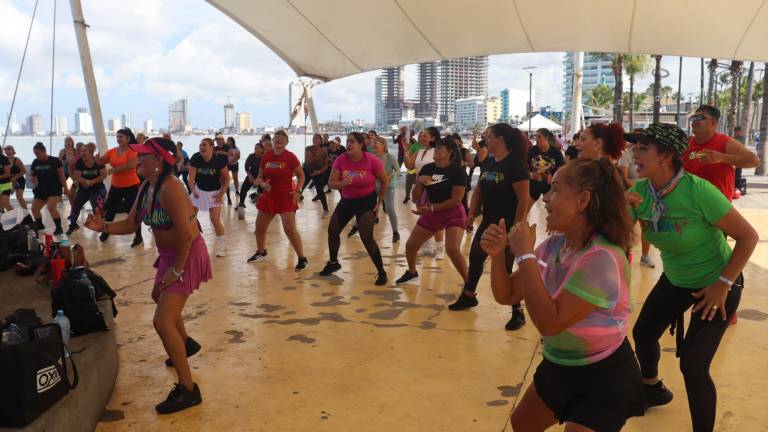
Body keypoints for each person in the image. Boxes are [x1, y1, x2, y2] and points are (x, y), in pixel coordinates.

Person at [483, 158, 645, 431]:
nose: (545, 198)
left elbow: (551, 322)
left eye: (555, 190)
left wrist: (524, 254)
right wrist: (498, 255)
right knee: (522, 423)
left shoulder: (603, 258)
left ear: (583, 200)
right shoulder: (555, 245)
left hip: (602, 376)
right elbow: (508, 293)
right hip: (559, 365)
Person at [625, 123, 758, 432]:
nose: (635, 152)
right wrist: (622, 213)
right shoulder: (639, 192)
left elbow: (748, 237)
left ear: (666, 156)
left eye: (643, 148)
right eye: (635, 146)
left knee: (694, 365)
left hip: (718, 281)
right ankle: (652, 388)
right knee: (643, 335)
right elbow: (620, 239)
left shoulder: (698, 192)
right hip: (676, 278)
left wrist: (722, 286)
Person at [85, 137, 210, 414]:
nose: (137, 158)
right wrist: (100, 225)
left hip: (185, 256)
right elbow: (131, 224)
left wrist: (176, 271)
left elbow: (189, 236)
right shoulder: (146, 187)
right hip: (170, 256)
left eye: (144, 155)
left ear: (160, 160)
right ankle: (185, 343)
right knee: (158, 296)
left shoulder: (171, 189)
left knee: (163, 322)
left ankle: (189, 390)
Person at [449, 124, 530, 331]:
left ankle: (517, 311)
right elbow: (478, 191)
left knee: (506, 267)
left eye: (489, 137)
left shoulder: (516, 165)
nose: (485, 140)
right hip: (488, 221)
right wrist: (470, 213)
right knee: (476, 257)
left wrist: (517, 227)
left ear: (501, 139)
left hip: (508, 224)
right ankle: (469, 296)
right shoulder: (489, 162)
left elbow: (524, 199)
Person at [396, 137, 468, 285]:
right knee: (410, 246)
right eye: (436, 148)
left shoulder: (457, 171)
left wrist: (432, 208)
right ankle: (412, 273)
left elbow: (456, 200)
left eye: (440, 148)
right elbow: (416, 197)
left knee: (452, 249)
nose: (436, 150)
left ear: (450, 152)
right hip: (432, 213)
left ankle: (469, 284)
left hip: (453, 213)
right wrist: (419, 182)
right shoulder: (428, 168)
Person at [320, 132, 389, 286]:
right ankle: (333, 263)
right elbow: (331, 182)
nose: (348, 144)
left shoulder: (371, 160)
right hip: (347, 200)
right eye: (347, 141)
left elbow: (384, 181)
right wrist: (342, 184)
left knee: (366, 237)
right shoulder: (341, 160)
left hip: (366, 201)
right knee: (332, 231)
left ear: (360, 145)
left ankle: (381, 272)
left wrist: (379, 202)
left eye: (352, 142)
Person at [247, 130, 308, 270]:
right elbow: (260, 176)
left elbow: (301, 175)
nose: (279, 139)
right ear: (273, 140)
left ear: (287, 142)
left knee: (289, 229)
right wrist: (262, 184)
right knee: (259, 228)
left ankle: (302, 258)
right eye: (277, 137)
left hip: (286, 196)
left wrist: (298, 191)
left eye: (283, 138)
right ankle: (261, 252)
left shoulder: (290, 157)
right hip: (269, 197)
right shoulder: (267, 156)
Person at [685, 105, 759, 202]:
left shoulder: (725, 142)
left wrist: (721, 157)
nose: (695, 121)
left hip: (718, 209)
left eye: (700, 118)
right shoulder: (686, 143)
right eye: (693, 118)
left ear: (714, 122)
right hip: (690, 206)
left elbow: (754, 161)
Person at [98, 128, 144, 247]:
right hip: (116, 186)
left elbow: (131, 165)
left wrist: (115, 169)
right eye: (117, 137)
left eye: (121, 137)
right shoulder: (113, 151)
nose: (118, 139)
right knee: (110, 210)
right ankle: (106, 231)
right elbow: (101, 161)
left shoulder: (133, 150)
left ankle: (138, 236)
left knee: (132, 212)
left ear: (128, 138)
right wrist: (97, 159)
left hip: (131, 185)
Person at [403, 127, 444, 258]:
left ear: (433, 138)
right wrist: (406, 152)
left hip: (433, 187)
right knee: (423, 216)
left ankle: (440, 248)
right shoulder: (419, 151)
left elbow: (442, 169)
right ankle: (427, 245)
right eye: (421, 135)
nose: (421, 138)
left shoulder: (437, 151)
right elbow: (409, 166)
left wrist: (432, 182)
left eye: (425, 136)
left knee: (436, 218)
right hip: (419, 187)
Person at [189, 138, 230, 257]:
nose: (202, 147)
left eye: (204, 145)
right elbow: (190, 178)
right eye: (200, 145)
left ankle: (222, 246)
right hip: (198, 191)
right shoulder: (196, 158)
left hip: (214, 193)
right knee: (190, 218)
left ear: (212, 147)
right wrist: (193, 190)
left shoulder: (219, 161)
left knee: (215, 220)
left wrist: (222, 193)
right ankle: (191, 242)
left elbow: (227, 178)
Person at [30, 142, 71, 234]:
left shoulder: (55, 161)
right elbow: (32, 174)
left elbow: (62, 176)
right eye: (35, 154)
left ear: (44, 151)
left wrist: (66, 188)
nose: (37, 156)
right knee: (34, 209)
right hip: (41, 188)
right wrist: (32, 178)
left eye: (38, 153)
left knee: (51, 207)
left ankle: (58, 228)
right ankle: (40, 226)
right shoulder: (35, 162)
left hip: (54, 188)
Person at [66, 143, 107, 235]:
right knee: (76, 206)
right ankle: (73, 225)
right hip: (84, 188)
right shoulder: (80, 162)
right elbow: (77, 176)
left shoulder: (97, 161)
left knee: (97, 209)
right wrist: (85, 181)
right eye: (81, 151)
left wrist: (93, 181)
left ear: (91, 152)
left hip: (97, 188)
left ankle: (103, 228)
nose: (82, 153)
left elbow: (104, 174)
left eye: (84, 151)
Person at [528, 128, 565, 214]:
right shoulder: (532, 150)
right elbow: (526, 166)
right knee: (526, 207)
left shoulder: (555, 152)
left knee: (552, 209)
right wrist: (531, 174)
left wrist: (554, 178)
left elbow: (561, 168)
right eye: (535, 136)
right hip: (534, 183)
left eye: (539, 137)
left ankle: (552, 226)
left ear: (546, 138)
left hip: (550, 185)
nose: (536, 139)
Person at [372, 136, 400, 243]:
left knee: (390, 208)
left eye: (377, 142)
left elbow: (398, 171)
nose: (374, 144)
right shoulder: (371, 157)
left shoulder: (389, 157)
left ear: (384, 145)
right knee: (370, 207)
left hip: (388, 187)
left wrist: (390, 176)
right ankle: (359, 227)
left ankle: (395, 232)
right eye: (374, 142)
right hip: (374, 187)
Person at [302, 133, 330, 212]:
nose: (314, 140)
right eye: (313, 138)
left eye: (317, 138)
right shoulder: (308, 148)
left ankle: (325, 208)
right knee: (300, 187)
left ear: (321, 141)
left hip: (318, 173)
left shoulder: (324, 151)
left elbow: (326, 165)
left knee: (320, 190)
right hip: (308, 171)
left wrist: (319, 172)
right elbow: (308, 161)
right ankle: (293, 204)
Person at [237, 143, 264, 209]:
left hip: (261, 177)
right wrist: (249, 175)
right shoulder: (251, 156)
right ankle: (241, 203)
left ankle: (262, 206)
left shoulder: (264, 157)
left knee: (261, 192)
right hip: (251, 176)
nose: (256, 150)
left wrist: (259, 178)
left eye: (258, 148)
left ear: (262, 149)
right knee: (243, 189)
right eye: (255, 148)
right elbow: (246, 167)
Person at [4, 145, 27, 210]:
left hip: (18, 180)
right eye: (5, 149)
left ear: (13, 150)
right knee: (4, 198)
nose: (6, 150)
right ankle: (6, 212)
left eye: (8, 148)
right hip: (8, 181)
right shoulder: (3, 160)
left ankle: (26, 212)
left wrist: (15, 177)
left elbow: (24, 171)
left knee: (19, 197)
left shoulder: (17, 160)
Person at [226, 137, 241, 201]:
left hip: (234, 164)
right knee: (226, 178)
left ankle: (237, 190)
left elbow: (238, 157)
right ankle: (225, 190)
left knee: (235, 178)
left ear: (233, 142)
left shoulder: (236, 148)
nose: (229, 142)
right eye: (228, 141)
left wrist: (231, 161)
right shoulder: (226, 148)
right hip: (227, 165)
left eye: (230, 141)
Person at [0, 146, 13, 211]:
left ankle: (14, 217)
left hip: (6, 184)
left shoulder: (4, 159)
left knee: (5, 202)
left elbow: (7, 174)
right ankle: (2, 216)